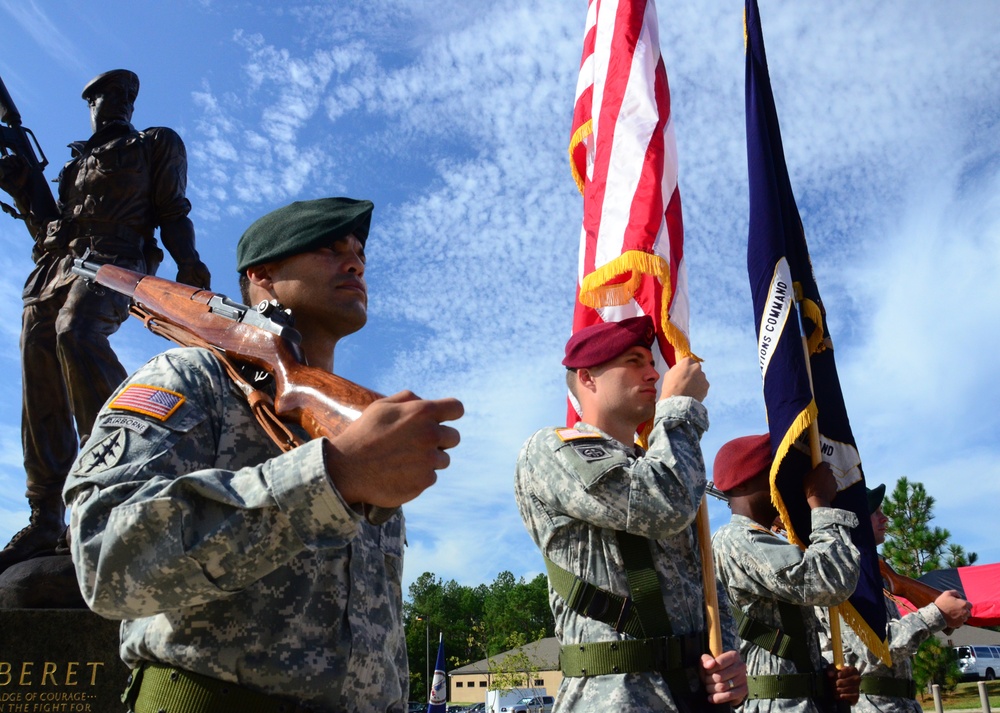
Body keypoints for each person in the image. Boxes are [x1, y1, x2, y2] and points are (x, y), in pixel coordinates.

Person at [64, 197, 464, 713]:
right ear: (262, 275)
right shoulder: (189, 379)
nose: (355, 262)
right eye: (329, 248)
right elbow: (103, 558)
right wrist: (330, 477)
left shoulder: (358, 426)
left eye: (360, 253)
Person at [0, 69, 211, 572]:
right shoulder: (73, 165)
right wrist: (25, 189)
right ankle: (45, 515)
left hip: (117, 260)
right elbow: (46, 229)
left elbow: (172, 209)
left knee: (78, 333)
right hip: (57, 268)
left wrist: (190, 267)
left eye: (125, 95)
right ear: (90, 103)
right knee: (40, 381)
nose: (116, 101)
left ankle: (117, 472)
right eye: (105, 95)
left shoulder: (153, 143)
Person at [514, 315, 747, 713]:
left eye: (651, 362)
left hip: (690, 694)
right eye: (635, 361)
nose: (654, 373)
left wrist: (726, 660)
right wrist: (678, 411)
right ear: (587, 378)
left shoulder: (660, 462)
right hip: (616, 696)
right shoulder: (552, 448)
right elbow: (663, 505)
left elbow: (704, 579)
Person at [711, 434, 863, 713]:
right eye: (775, 472)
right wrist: (820, 504)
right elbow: (830, 581)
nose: (790, 481)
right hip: (777, 703)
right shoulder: (736, 539)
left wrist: (826, 678)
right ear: (741, 482)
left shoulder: (765, 541)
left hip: (798, 700)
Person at [819, 484, 971, 713]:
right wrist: (936, 613)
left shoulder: (868, 576)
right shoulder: (842, 578)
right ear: (854, 519)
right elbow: (875, 649)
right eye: (875, 512)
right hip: (872, 705)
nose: (885, 518)